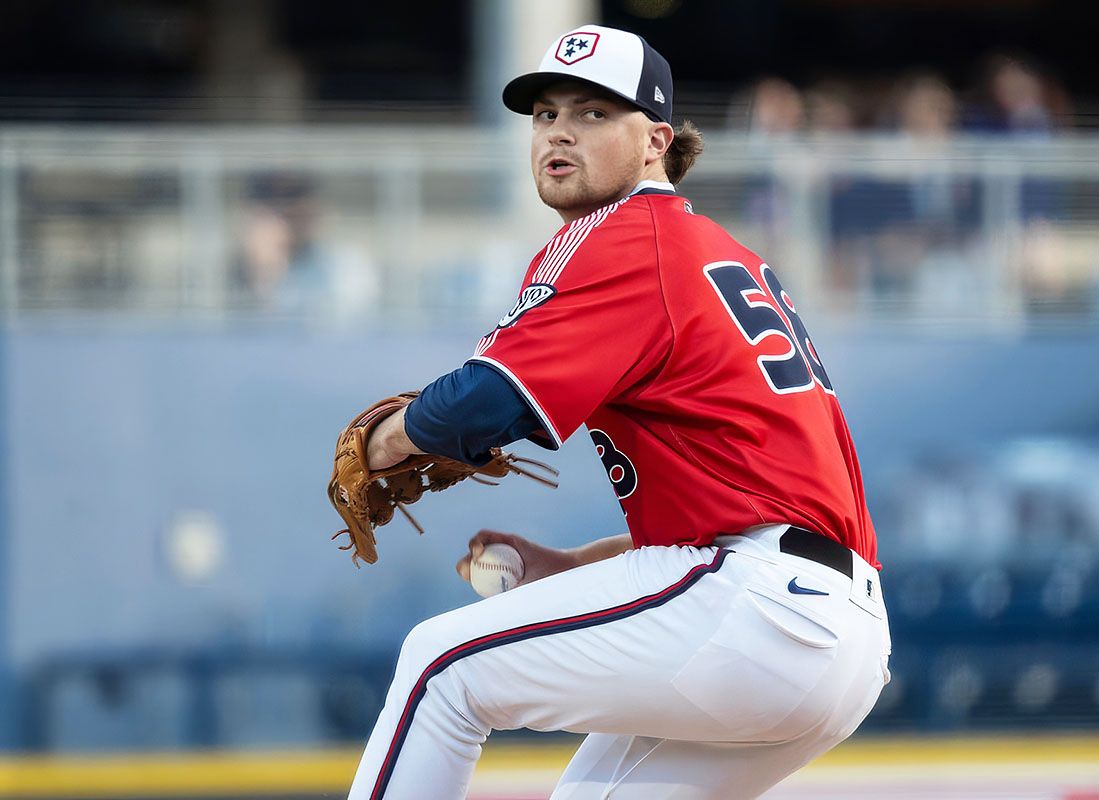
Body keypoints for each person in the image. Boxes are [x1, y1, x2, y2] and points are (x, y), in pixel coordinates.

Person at [347, 25, 890, 799]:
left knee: (441, 669)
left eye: (595, 113)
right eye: (544, 114)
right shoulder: (721, 253)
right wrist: (574, 570)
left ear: (655, 142)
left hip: (756, 610)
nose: (560, 131)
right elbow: (749, 501)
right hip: (838, 634)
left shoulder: (622, 234)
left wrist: (382, 442)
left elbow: (484, 402)